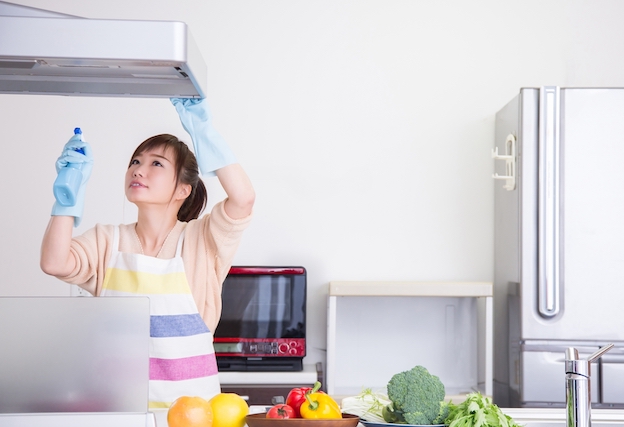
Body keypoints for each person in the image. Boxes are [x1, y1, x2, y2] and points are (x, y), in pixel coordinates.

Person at [40, 98, 255, 409]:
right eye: (135, 162)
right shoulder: (107, 240)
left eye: (156, 163)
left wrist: (202, 129)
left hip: (192, 415)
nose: (139, 170)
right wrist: (66, 194)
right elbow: (54, 262)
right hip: (117, 410)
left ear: (183, 189)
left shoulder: (201, 239)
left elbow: (243, 198)